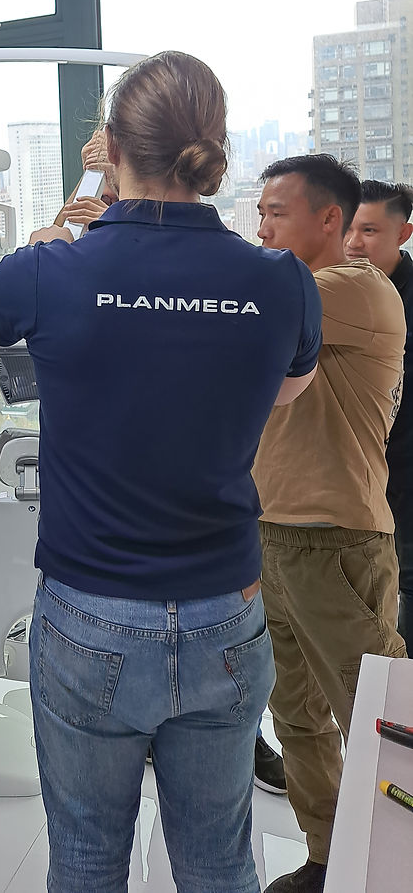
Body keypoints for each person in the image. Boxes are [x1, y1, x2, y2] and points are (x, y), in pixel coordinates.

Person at [0, 52, 321, 893]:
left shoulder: (51, 270)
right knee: (220, 859)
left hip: (90, 617)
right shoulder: (281, 282)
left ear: (111, 148)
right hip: (226, 616)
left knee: (86, 857)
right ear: (215, 150)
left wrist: (50, 236)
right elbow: (283, 392)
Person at [59, 127, 290, 796]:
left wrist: (70, 236)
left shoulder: (70, 266)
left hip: (127, 588)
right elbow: (286, 386)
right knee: (215, 834)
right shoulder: (273, 279)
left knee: (90, 837)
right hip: (204, 584)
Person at [254, 156, 407, 893]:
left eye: (276, 213)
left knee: (382, 720)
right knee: (297, 718)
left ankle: (398, 868)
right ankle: (327, 858)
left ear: (328, 219)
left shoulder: (353, 288)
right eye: (259, 212)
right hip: (272, 535)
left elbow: (250, 294)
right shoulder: (294, 292)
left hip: (338, 541)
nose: (262, 228)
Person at [345, 180, 413, 646]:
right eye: (348, 228)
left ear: (403, 234)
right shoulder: (337, 291)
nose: (353, 242)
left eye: (369, 230)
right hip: (354, 473)